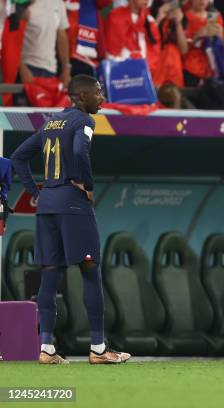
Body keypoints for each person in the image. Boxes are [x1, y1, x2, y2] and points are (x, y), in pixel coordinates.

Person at [10, 75, 130, 365]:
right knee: (90, 271)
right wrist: (86, 185)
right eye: (98, 93)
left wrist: (33, 191)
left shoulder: (51, 123)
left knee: (50, 276)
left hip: (47, 206)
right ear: (82, 96)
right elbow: (79, 151)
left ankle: (46, 348)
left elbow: (17, 157)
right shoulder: (84, 122)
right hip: (73, 207)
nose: (102, 98)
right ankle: (99, 349)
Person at [19, 0, 70, 87]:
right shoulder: (22, 3)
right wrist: (21, 68)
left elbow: (62, 37)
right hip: (27, 68)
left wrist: (66, 69)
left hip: (51, 70)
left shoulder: (58, 3)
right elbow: (12, 38)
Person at [104, 0, 161, 77]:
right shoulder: (115, 16)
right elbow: (110, 52)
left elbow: (154, 54)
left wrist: (145, 73)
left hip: (142, 76)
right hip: (118, 74)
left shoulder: (150, 21)